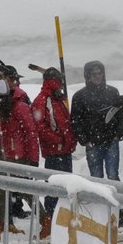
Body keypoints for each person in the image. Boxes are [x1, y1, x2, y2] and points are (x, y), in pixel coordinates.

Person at [0, 71, 41, 239]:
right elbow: (0, 136)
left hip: (21, 158)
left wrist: (33, 160)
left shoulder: (20, 108)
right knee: (0, 190)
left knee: (26, 191)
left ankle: (46, 221)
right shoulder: (1, 111)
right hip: (7, 158)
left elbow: (31, 133)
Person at [32, 66, 78, 233]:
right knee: (54, 187)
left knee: (64, 186)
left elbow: (64, 122)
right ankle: (51, 219)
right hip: (55, 151)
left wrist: (68, 140)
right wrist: (59, 139)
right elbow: (40, 127)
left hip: (62, 150)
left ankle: (61, 219)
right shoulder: (45, 100)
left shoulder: (55, 99)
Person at [71, 61, 123, 181]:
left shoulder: (113, 92)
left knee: (113, 175)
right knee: (96, 178)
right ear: (87, 76)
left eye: (99, 73)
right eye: (94, 74)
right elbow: (75, 120)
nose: (97, 76)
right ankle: (99, 199)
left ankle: (115, 199)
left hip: (111, 140)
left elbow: (120, 114)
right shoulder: (79, 96)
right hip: (93, 143)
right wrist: (84, 140)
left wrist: (118, 135)